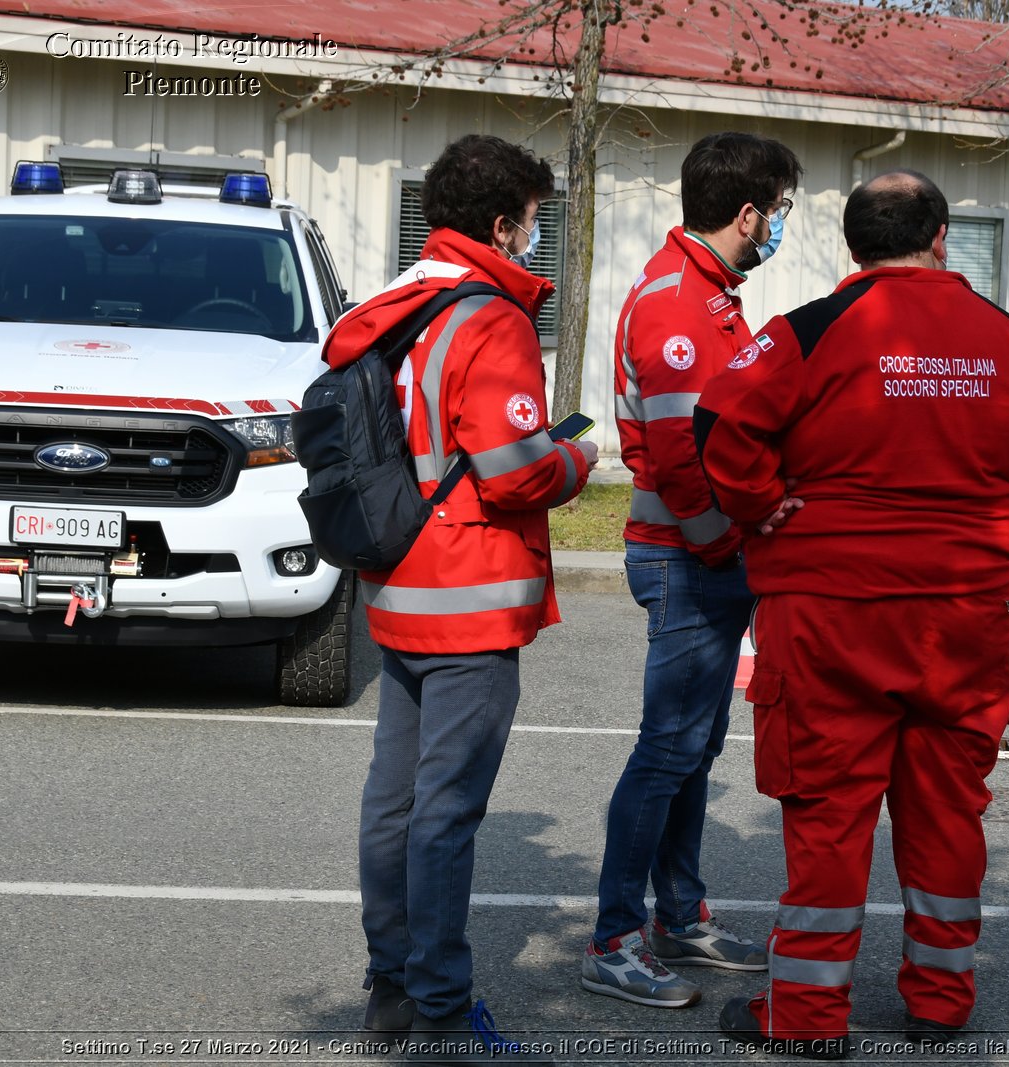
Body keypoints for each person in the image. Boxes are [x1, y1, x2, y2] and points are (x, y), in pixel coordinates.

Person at [693, 169, 1009, 1058]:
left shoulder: (810, 332)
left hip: (832, 616)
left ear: (852, 244)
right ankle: (941, 1002)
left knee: (829, 815)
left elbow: (719, 422)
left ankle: (803, 1017)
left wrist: (759, 504)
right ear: (941, 235)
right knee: (949, 811)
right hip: (966, 617)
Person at [321, 134, 596, 1065]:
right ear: (501, 221)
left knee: (393, 801)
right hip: (470, 596)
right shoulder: (493, 318)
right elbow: (518, 472)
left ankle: (391, 985)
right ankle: (442, 1006)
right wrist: (579, 458)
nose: (534, 237)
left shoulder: (393, 306)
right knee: (447, 811)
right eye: (531, 220)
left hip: (395, 583)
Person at [581, 131, 803, 1009]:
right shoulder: (679, 305)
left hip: (705, 554)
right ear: (746, 213)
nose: (780, 224)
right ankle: (613, 937)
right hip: (687, 555)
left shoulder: (710, 293)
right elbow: (679, 456)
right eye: (778, 210)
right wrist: (725, 543)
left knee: (693, 748)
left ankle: (679, 913)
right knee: (666, 749)